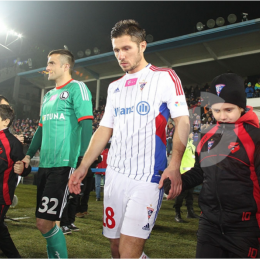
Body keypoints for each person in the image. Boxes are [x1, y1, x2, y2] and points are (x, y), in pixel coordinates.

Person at [69, 19, 190, 258]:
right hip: (115, 176)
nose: (121, 55)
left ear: (142, 46)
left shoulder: (165, 77)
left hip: (147, 178)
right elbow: (104, 129)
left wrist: (174, 164)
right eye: (116, 50)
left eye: (127, 48)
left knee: (128, 252)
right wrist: (83, 166)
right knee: (115, 249)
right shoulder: (114, 87)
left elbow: (183, 121)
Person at [22, 49, 93, 258]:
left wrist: (82, 161)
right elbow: (41, 129)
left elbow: (86, 124)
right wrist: (28, 155)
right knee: (45, 222)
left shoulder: (77, 88)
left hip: (64, 164)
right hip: (45, 165)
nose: (47, 67)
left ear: (66, 66)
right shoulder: (49, 95)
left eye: (52, 63)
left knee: (44, 222)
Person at [181, 73, 260, 258]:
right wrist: (179, 182)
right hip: (209, 226)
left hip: (245, 229)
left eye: (228, 109)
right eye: (216, 110)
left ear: (241, 107)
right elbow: (200, 173)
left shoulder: (255, 137)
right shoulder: (206, 135)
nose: (222, 116)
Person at [0, 104, 31, 258]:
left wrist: (23, 169)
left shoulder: (12, 142)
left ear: (5, 121)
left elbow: (24, 167)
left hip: (2, 194)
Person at [174, 132, 199, 222]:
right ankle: (177, 214)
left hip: (190, 173)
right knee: (181, 194)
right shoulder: (184, 144)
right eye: (191, 134)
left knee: (190, 195)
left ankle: (190, 212)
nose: (193, 135)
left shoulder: (192, 145)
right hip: (183, 172)